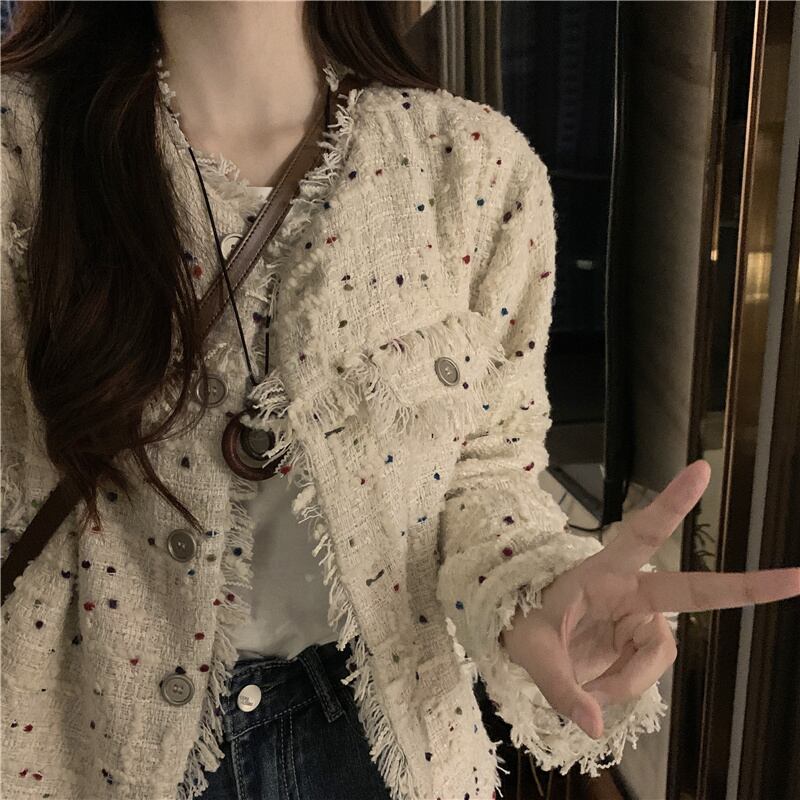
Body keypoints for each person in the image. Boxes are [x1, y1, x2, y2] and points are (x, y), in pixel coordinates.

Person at [2, 2, 798, 799]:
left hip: (380, 737)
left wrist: (535, 592)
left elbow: (486, 471)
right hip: (84, 742)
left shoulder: (472, 167)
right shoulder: (19, 155)